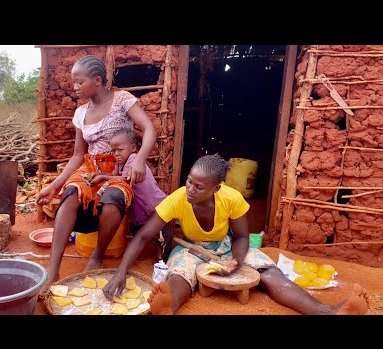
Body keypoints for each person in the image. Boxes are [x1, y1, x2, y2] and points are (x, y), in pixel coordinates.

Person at [103, 154, 370, 315]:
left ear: (216, 189)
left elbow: (242, 237)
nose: (190, 189)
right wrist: (120, 272)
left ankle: (328, 311)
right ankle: (167, 305)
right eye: (189, 181)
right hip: (190, 248)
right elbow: (140, 237)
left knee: (269, 271)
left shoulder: (232, 198)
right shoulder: (176, 200)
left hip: (227, 247)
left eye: (199, 186)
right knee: (180, 275)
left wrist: (236, 263)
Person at [35, 55, 157, 296]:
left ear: (98, 80)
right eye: (73, 82)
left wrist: (140, 159)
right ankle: (53, 269)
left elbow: (149, 128)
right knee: (70, 195)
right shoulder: (80, 113)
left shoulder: (122, 100)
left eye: (80, 82)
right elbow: (78, 155)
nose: (75, 87)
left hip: (117, 169)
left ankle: (97, 256)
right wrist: (54, 185)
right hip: (89, 168)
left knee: (113, 199)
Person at [88, 128, 173, 261]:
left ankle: (163, 259)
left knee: (161, 235)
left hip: (155, 205)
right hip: (141, 208)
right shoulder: (120, 163)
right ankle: (145, 251)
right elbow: (113, 175)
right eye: (113, 150)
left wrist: (102, 178)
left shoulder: (134, 159)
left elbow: (126, 179)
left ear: (133, 147)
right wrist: (97, 174)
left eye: (119, 150)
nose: (116, 154)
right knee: (137, 231)